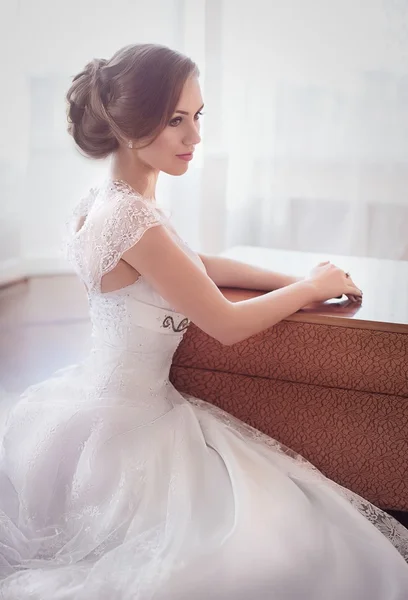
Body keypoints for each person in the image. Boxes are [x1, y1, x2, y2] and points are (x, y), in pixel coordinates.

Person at [0, 43, 407, 600]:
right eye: (175, 121)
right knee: (277, 539)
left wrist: (295, 280)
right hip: (133, 428)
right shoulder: (131, 219)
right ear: (128, 126)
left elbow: (198, 264)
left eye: (197, 117)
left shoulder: (111, 200)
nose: (195, 138)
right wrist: (311, 288)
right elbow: (226, 324)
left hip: (98, 398)